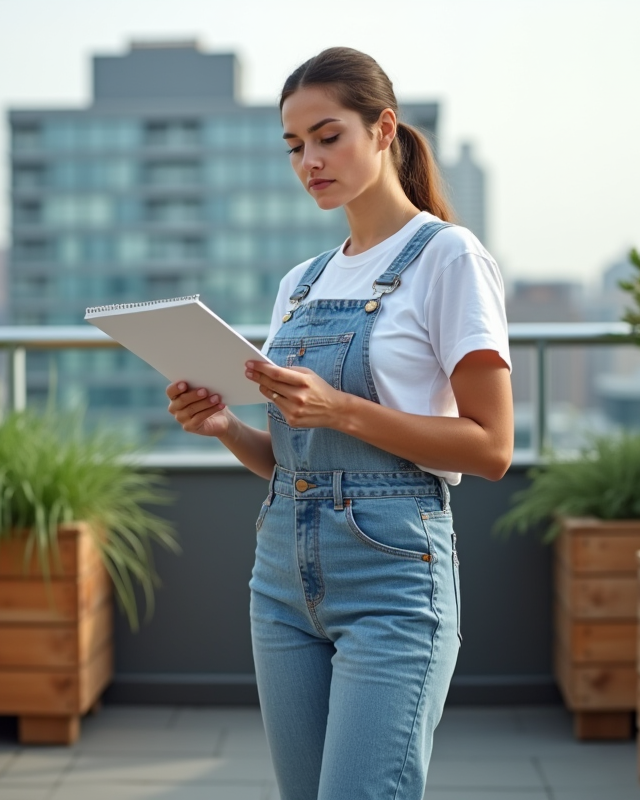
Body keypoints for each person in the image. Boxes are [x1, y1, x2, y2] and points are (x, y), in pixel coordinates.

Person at [164, 46, 514, 800]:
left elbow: (491, 448)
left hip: (392, 575)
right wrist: (227, 426)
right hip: (282, 576)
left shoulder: (448, 258)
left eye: (328, 137)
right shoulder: (302, 282)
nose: (309, 161)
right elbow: (295, 460)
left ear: (384, 130)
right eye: (295, 146)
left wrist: (341, 407)